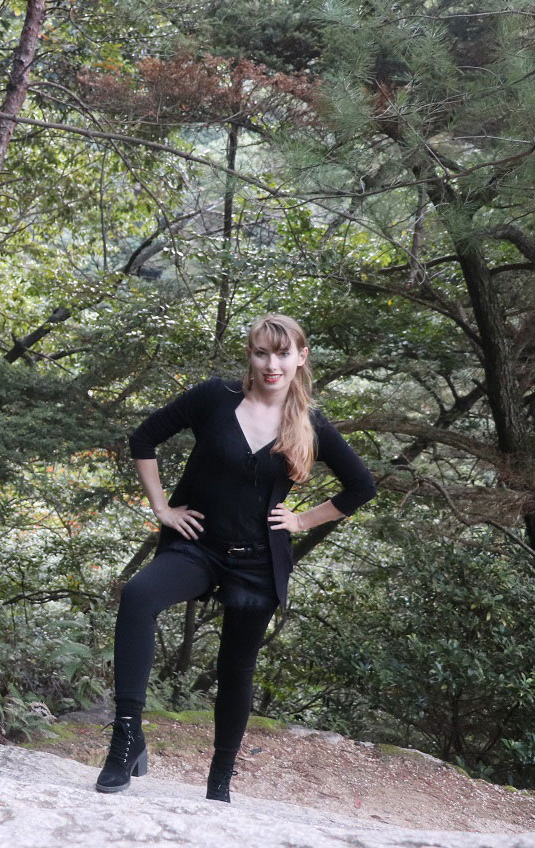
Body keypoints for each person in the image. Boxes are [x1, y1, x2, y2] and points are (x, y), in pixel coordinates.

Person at [96, 314, 375, 802]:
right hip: (198, 546)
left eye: (283, 353)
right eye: (262, 352)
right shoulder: (214, 399)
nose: (273, 364)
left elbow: (361, 486)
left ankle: (220, 781)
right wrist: (162, 507)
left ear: (301, 358)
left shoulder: (309, 422)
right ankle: (125, 739)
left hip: (257, 563)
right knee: (139, 596)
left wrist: (302, 521)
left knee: (236, 666)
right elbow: (143, 438)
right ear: (249, 354)